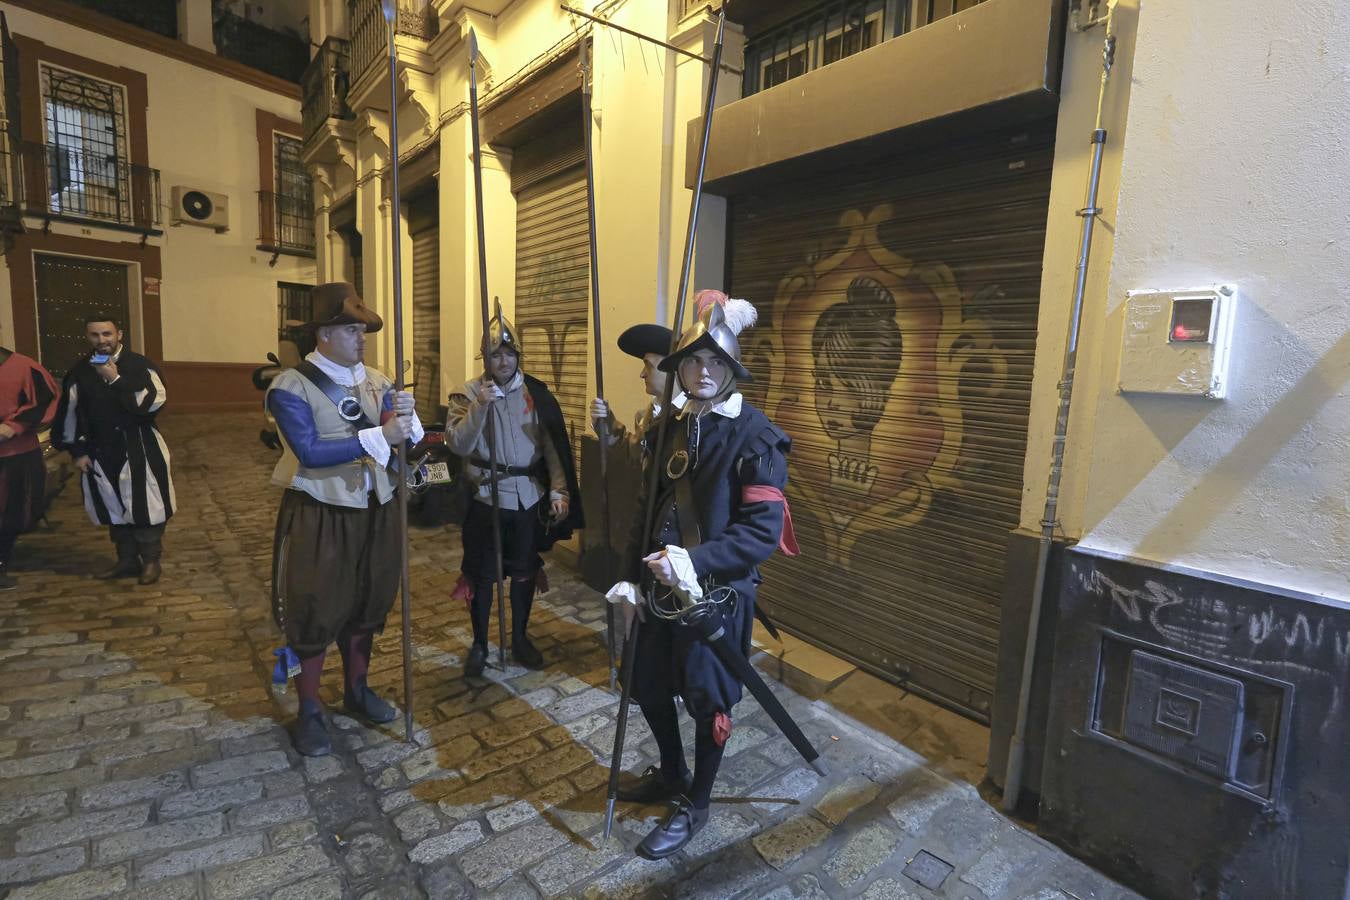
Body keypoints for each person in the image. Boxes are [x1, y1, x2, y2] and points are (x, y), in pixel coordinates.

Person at [608, 289, 796, 859]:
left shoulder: (757, 436)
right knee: (647, 682)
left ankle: (698, 803)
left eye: (717, 361)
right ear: (679, 368)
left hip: (717, 595)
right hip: (657, 589)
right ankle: (670, 772)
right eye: (694, 360)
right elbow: (646, 511)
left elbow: (760, 535)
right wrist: (629, 579)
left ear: (733, 368)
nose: (704, 371)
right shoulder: (667, 427)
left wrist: (695, 562)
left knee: (708, 699)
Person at [266, 282, 423, 756]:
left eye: (363, 329)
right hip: (323, 511)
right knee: (313, 607)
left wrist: (408, 430)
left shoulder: (380, 380)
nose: (362, 337)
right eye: (352, 329)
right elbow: (310, 452)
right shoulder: (290, 387)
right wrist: (380, 433)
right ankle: (309, 707)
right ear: (324, 334)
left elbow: (401, 444)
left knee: (369, 602)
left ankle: (357, 689)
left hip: (378, 508)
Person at [445, 303, 582, 676]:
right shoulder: (466, 394)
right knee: (482, 574)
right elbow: (457, 443)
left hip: (526, 498)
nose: (502, 361)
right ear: (484, 357)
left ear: (517, 355)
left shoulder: (536, 394)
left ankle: (519, 637)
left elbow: (553, 448)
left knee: (523, 572)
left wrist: (559, 490)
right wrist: (480, 406)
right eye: (494, 354)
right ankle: (478, 643)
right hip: (484, 498)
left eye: (508, 353)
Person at [54, 315, 175, 585]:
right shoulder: (81, 371)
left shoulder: (139, 365)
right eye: (95, 335)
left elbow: (153, 402)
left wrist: (116, 379)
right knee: (113, 506)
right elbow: (70, 412)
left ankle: (151, 562)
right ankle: (127, 561)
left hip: (139, 445)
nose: (102, 341)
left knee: (145, 505)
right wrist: (77, 450)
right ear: (88, 337)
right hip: (99, 449)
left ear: (119, 334)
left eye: (107, 334)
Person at [0, 347, 59, 591]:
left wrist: (15, 425)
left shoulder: (24, 367)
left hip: (14, 453)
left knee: (11, 509)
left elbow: (46, 398)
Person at [588, 322, 685, 445]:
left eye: (648, 366)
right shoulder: (647, 416)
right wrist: (605, 423)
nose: (642, 374)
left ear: (670, 369)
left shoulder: (691, 419)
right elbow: (634, 455)